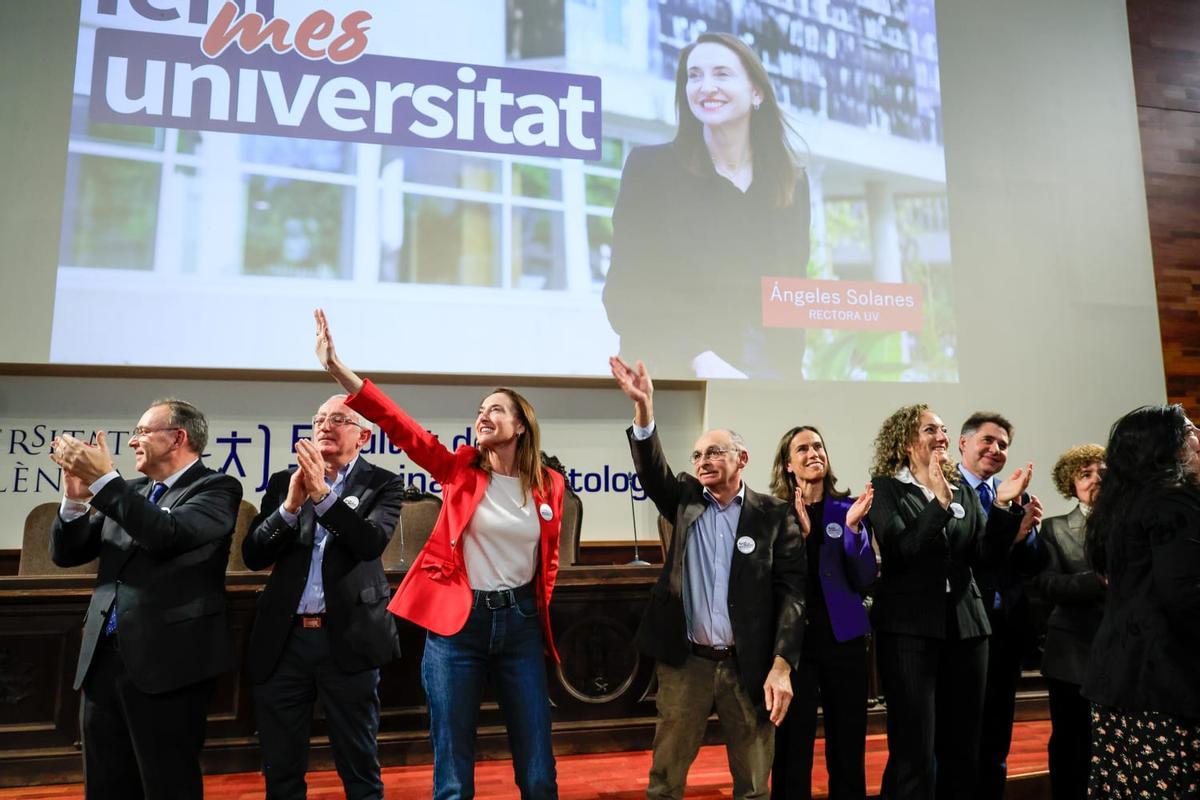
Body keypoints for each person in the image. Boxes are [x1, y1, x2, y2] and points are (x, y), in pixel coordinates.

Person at [313, 309, 566, 800]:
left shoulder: (549, 485)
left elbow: (548, 561)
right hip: (458, 625)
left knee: (538, 766)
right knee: (452, 768)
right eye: (480, 410)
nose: (483, 416)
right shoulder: (459, 470)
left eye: (496, 409)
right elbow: (401, 426)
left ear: (521, 425)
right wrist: (338, 370)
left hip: (520, 624)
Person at [610, 355, 806, 800]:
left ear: (743, 459)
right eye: (697, 454)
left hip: (750, 665)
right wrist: (644, 410)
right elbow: (651, 469)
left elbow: (794, 594)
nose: (703, 460)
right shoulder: (683, 499)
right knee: (664, 783)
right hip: (687, 664)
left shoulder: (774, 515)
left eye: (715, 451)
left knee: (755, 784)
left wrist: (781, 664)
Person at [48, 399, 242, 800]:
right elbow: (68, 554)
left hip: (170, 664)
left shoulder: (216, 488)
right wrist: (74, 499)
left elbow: (166, 534)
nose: (133, 440)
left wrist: (104, 482)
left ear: (178, 438)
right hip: (103, 660)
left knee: (166, 783)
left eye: (142, 431)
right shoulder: (131, 492)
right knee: (105, 782)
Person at [602, 32, 810, 379]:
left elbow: (790, 302)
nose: (705, 86)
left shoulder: (791, 182)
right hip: (676, 378)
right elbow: (625, 293)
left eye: (721, 74)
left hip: (767, 382)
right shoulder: (650, 169)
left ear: (756, 92)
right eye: (694, 76)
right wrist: (698, 359)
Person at [242, 395, 406, 799]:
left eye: (338, 419)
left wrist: (323, 496)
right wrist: (290, 507)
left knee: (359, 764)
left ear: (363, 436)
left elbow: (368, 543)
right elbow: (253, 555)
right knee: (281, 767)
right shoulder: (285, 481)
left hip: (348, 637)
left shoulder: (383, 483)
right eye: (318, 419)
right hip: (285, 640)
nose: (324, 426)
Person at [866, 404, 1030, 800]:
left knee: (962, 749)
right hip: (909, 631)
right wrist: (937, 505)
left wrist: (1004, 507)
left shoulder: (963, 491)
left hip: (968, 629)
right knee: (914, 749)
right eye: (930, 430)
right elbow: (903, 549)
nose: (941, 436)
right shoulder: (886, 488)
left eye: (942, 429)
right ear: (907, 441)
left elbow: (984, 558)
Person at [1083, 406, 1200, 799]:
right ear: (1164, 446)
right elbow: (1184, 594)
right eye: (1189, 432)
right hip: (1166, 678)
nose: (1198, 439)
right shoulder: (1174, 499)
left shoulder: (1120, 505)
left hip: (1119, 676)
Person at [768, 426, 877, 800]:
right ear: (788, 464)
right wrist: (800, 536)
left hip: (842, 641)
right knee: (792, 749)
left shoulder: (849, 509)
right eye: (803, 448)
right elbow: (773, 580)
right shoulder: (774, 513)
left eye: (818, 446)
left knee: (847, 746)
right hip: (793, 649)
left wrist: (853, 530)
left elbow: (865, 577)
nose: (813, 452)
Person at [953, 412, 1044, 799]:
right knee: (957, 738)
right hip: (958, 630)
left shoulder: (1012, 494)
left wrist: (1026, 534)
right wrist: (1004, 520)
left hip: (1004, 630)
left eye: (1003, 445)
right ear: (963, 443)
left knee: (996, 739)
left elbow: (1032, 566)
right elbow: (965, 556)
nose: (995, 449)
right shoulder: (946, 489)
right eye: (987, 441)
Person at [1032, 444, 1105, 800]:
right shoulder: (1054, 529)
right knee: (1072, 742)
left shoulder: (1133, 524)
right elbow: (1047, 585)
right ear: (1069, 483)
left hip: (1126, 650)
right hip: (1072, 653)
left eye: (1103, 473)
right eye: (1085, 474)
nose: (1096, 481)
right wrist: (1100, 581)